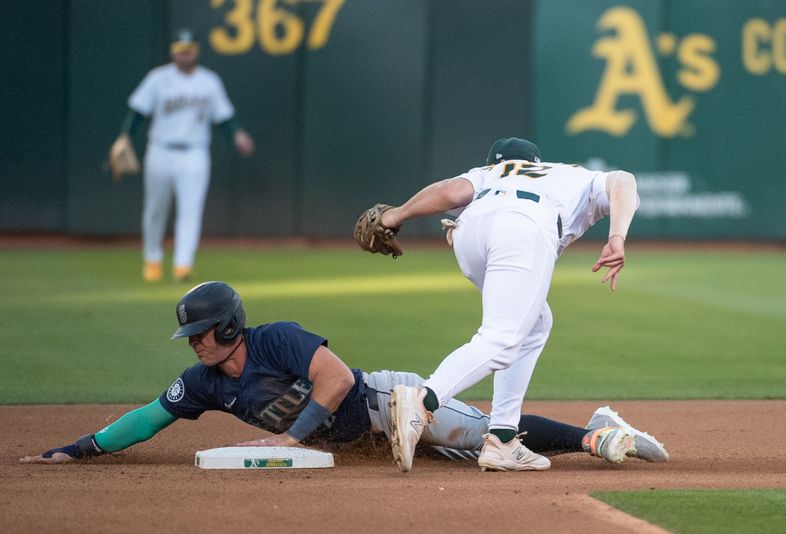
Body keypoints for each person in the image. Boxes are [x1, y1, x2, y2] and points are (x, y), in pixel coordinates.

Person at [20, 282, 667, 468]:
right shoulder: (206, 385)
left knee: (482, 441)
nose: (192, 346)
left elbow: (333, 382)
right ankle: (586, 434)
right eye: (189, 337)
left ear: (226, 328)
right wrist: (79, 449)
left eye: (198, 334)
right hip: (355, 438)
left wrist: (292, 439)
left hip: (389, 403)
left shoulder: (276, 339)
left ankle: (594, 435)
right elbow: (149, 416)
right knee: (460, 460)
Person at [363, 137, 641, 472]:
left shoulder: (488, 173)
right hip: (523, 225)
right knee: (502, 337)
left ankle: (502, 439)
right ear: (537, 161)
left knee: (535, 324)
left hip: (469, 232)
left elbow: (450, 193)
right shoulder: (568, 174)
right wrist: (617, 237)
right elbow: (624, 180)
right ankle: (422, 401)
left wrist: (396, 214)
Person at [111, 29, 255, 283]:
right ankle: (152, 260)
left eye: (188, 49)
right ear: (173, 51)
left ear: (195, 51)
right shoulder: (158, 78)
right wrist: (125, 136)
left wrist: (237, 134)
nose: (184, 54)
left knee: (191, 210)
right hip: (161, 150)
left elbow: (224, 117)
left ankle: (183, 264)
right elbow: (138, 112)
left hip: (195, 152)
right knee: (156, 209)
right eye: (180, 49)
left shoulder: (209, 81)